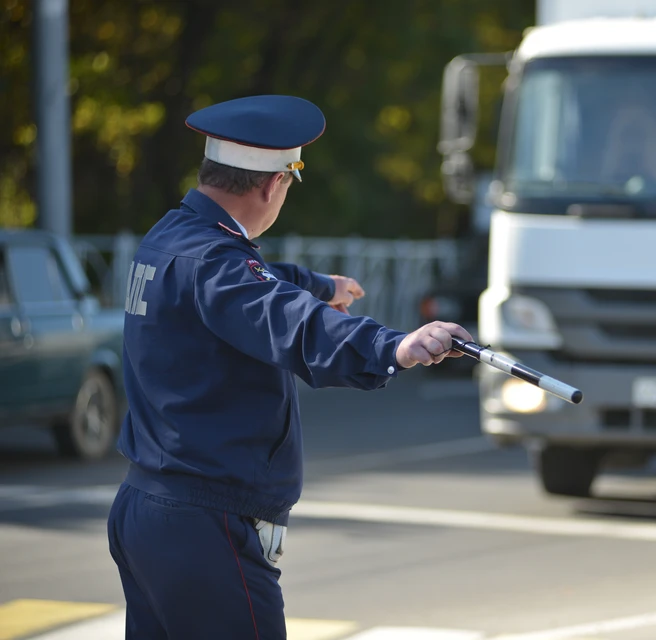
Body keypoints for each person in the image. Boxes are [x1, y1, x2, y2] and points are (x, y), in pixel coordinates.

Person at [106, 94, 473, 639]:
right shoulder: (216, 262)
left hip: (146, 509)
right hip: (206, 528)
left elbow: (257, 282)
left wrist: (321, 286)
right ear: (272, 184)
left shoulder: (170, 238)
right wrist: (393, 346)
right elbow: (288, 320)